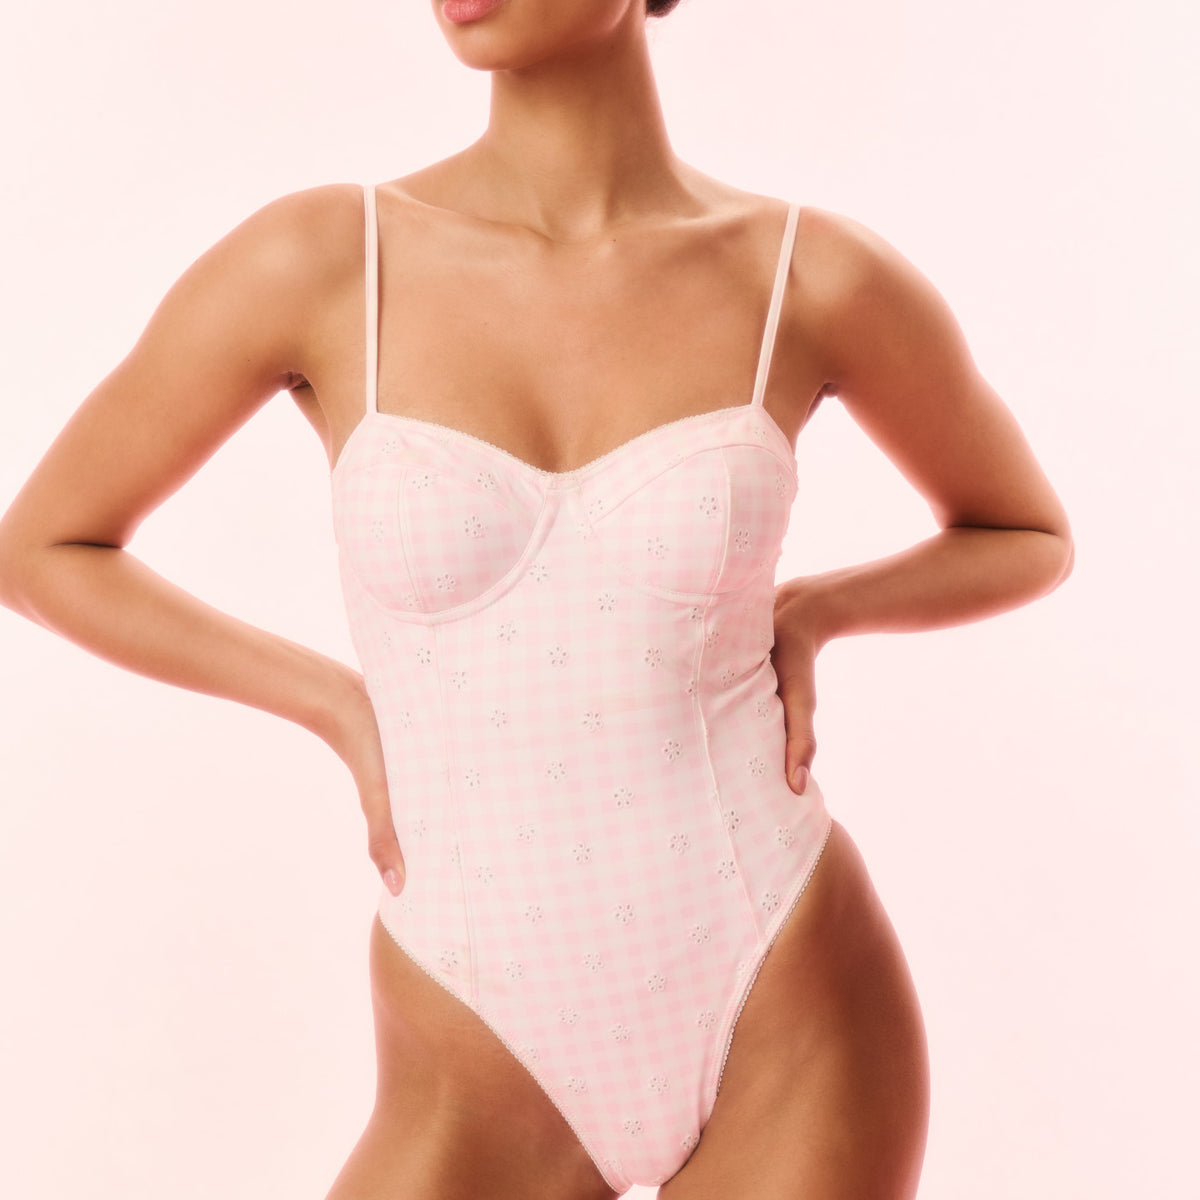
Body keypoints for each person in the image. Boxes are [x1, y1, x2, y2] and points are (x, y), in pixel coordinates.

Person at [0, 1, 1075, 1197]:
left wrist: (820, 608)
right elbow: (44, 548)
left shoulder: (805, 273)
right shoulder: (327, 259)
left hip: (784, 991)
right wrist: (335, 704)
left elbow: (1025, 533)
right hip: (476, 1041)